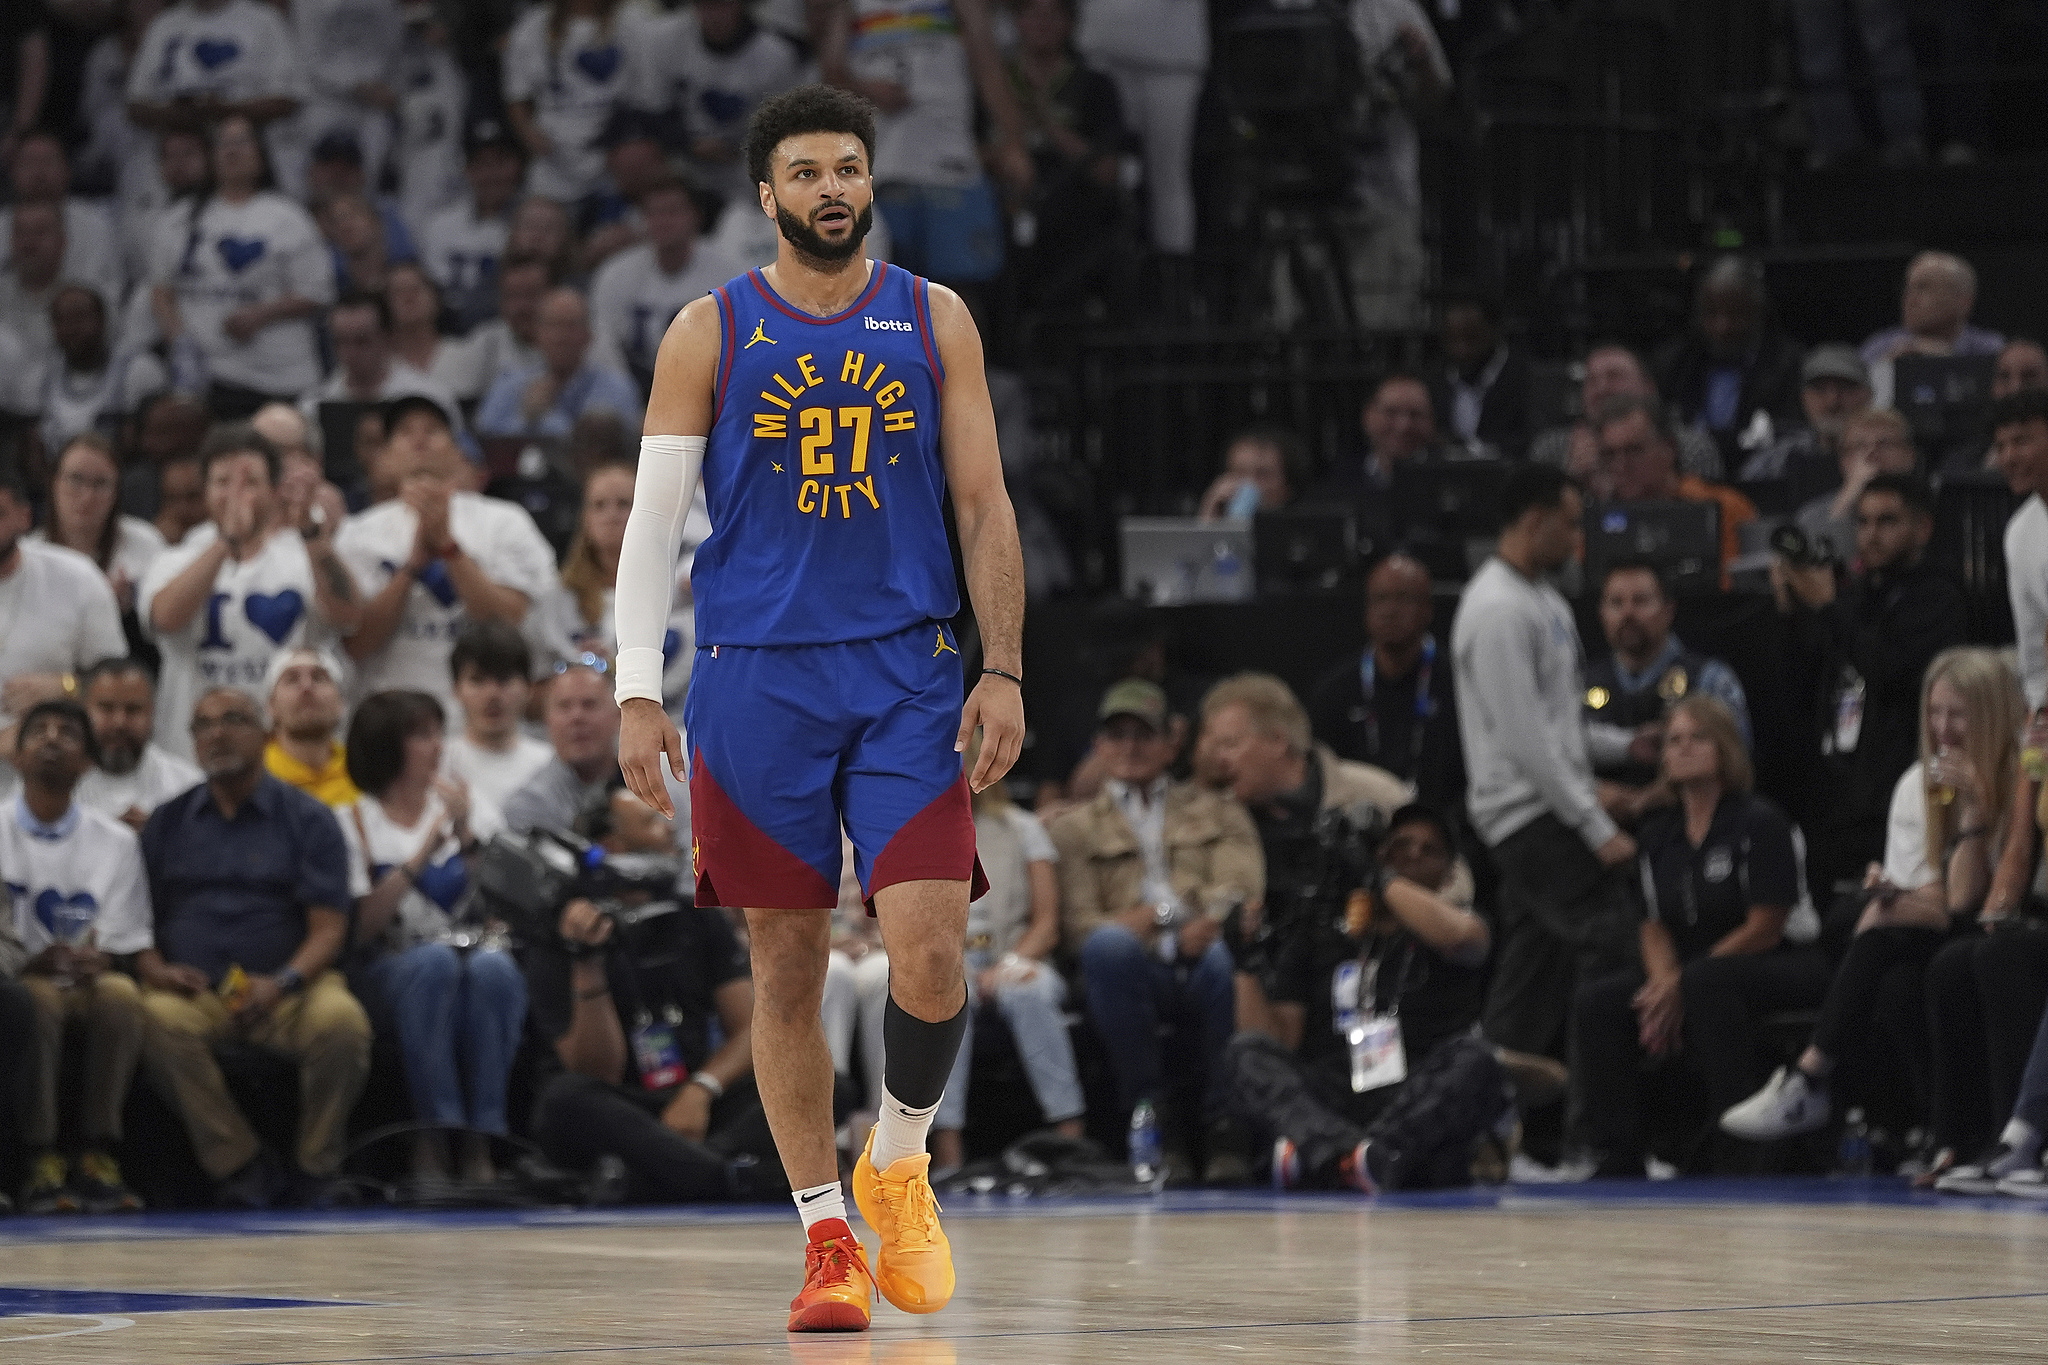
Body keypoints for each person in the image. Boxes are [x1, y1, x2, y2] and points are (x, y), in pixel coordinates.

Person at [613, 87, 1027, 1331]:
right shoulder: (708, 329)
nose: (830, 189)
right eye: (805, 173)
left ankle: (896, 1158)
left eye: (848, 168)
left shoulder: (933, 317)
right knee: (784, 970)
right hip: (755, 677)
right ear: (766, 196)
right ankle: (824, 1241)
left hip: (904, 671)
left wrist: (999, 666)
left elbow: (983, 504)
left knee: (934, 949)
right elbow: (648, 526)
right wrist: (637, 688)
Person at [1722, 648, 2027, 1145]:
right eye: (1934, 712)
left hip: (2004, 920)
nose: (1943, 729)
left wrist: (1975, 810)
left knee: (1885, 934)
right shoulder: (1915, 784)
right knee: (1897, 981)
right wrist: (1896, 894)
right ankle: (1937, 1134)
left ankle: (1811, 1077)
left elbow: (1970, 900)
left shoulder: (2021, 780)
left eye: (1958, 715)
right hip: (1942, 927)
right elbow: (1940, 897)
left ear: (1991, 716)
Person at [136, 685, 373, 1208]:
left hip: (291, 986)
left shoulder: (309, 818)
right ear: (193, 742)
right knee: (152, 1019)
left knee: (342, 1023)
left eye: (233, 720)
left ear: (265, 733)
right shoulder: (166, 823)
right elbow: (135, 923)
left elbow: (330, 930)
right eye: (204, 724)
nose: (217, 733)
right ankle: (240, 1164)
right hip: (196, 989)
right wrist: (155, 969)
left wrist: (284, 981)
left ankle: (317, 1168)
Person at [1572, 697, 1829, 1177]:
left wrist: (1682, 981)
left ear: (1725, 749)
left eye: (1698, 738)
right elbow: (1652, 923)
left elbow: (1765, 926)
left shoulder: (1759, 820)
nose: (1684, 748)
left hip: (1780, 959)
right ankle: (1618, 1153)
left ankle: (1740, 1146)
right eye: (1674, 740)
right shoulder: (1659, 833)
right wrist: (1666, 980)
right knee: (1600, 1001)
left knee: (1709, 983)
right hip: (1696, 964)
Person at [1450, 463, 1636, 1064]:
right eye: (1570, 524)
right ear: (1535, 523)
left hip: (1540, 812)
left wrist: (1630, 746)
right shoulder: (1500, 610)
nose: (1577, 538)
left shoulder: (1544, 601)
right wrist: (1594, 824)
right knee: (1613, 955)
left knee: (1527, 986)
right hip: (1534, 820)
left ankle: (1496, 1142)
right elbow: (1525, 740)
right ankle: (1599, 1134)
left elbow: (1559, 725)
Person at [1048, 679, 1263, 1185]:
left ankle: (1223, 1126)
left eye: (1143, 735)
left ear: (1172, 742)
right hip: (1128, 966)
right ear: (1098, 747)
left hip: (1203, 953)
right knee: (1108, 946)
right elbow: (1079, 927)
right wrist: (1168, 922)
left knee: (1218, 955)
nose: (1130, 747)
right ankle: (1155, 1116)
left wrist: (1177, 919)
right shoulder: (1073, 829)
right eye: (1116, 735)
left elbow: (1239, 892)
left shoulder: (1219, 810)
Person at [527, 784, 779, 1202]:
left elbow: (751, 1029)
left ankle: (657, 1171)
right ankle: (718, 1176)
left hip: (694, 1099)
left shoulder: (696, 917)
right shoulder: (564, 931)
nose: (669, 832)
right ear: (611, 846)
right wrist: (587, 963)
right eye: (651, 822)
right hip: (617, 1105)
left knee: (823, 1085)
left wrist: (701, 1089)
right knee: (564, 1101)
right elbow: (595, 1070)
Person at [1223, 802, 1490, 1191]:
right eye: (1401, 844)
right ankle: (1359, 1158)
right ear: (1382, 852)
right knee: (1245, 1052)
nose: (1413, 854)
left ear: (1450, 872)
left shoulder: (1457, 922)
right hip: (1335, 1087)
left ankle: (1330, 1156)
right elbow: (1277, 1039)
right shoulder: (1320, 933)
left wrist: (1379, 878)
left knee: (1477, 1060)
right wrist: (1243, 961)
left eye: (1429, 850)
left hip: (1412, 1089)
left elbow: (1464, 940)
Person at [339, 689, 521, 1184]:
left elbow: (504, 907)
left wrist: (464, 838)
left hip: (469, 954)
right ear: (386, 744)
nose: (438, 745)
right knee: (432, 964)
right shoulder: (353, 820)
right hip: (388, 966)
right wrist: (421, 855)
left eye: (439, 732)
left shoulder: (474, 808)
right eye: (422, 734)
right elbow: (360, 928)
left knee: (496, 967)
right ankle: (434, 1136)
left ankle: (482, 1141)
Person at [1774, 471, 1966, 899]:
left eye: (1886, 522)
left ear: (1923, 528)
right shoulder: (1856, 595)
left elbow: (1889, 671)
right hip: (1836, 791)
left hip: (1892, 789)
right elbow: (1804, 685)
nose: (1870, 535)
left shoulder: (1939, 598)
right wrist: (1794, 614)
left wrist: (1827, 607)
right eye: (1862, 523)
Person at [2, 698, 152, 1214]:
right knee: (35, 1001)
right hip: (23, 976)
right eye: (37, 730)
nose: (51, 739)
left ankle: (97, 1153)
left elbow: (125, 937)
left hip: (88, 977)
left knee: (122, 996)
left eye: (67, 732)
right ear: (15, 756)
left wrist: (102, 959)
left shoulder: (116, 841)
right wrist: (28, 962)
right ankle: (40, 1156)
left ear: (87, 762)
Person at [138, 423, 361, 761]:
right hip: (189, 752)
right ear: (205, 491)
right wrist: (226, 542)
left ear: (274, 490)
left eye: (250, 482)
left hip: (288, 757)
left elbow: (349, 616)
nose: (235, 495)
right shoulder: (175, 558)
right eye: (223, 482)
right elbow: (166, 619)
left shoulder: (304, 554)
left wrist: (313, 535)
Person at [334, 395, 558, 708]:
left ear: (457, 449)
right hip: (390, 713)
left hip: (481, 716)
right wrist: (412, 567)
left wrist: (449, 550)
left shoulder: (506, 521)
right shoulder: (357, 534)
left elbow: (512, 621)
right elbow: (354, 643)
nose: (419, 438)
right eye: (404, 431)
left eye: (434, 429)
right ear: (384, 457)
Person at [930, 733, 1082, 1173]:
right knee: (943, 997)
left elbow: (1047, 922)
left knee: (1029, 993)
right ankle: (947, 1150)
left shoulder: (1023, 828)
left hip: (1019, 953)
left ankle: (1069, 1135)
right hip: (951, 959)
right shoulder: (921, 833)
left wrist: (1011, 963)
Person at [813, 0, 1029, 301]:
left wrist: (1014, 142)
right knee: (884, 290)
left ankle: (968, 349)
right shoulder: (852, 5)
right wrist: (867, 88)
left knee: (961, 290)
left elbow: (988, 67)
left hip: (950, 162)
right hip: (881, 168)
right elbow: (830, 75)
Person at [147, 114, 336, 418]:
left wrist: (261, 314)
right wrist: (181, 344)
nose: (232, 151)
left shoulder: (288, 217)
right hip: (210, 378)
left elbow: (318, 292)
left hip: (281, 377)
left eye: (242, 142)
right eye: (224, 143)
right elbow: (161, 291)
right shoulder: (178, 219)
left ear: (261, 155)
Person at [551, 460, 711, 724]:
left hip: (677, 721)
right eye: (600, 505)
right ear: (585, 519)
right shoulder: (558, 599)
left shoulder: (682, 588)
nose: (612, 515)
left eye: (624, 504)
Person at [1306, 553, 1464, 815]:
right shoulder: (1334, 692)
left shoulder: (1457, 684)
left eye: (1403, 598)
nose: (1389, 611)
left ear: (1427, 610)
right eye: (1380, 599)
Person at [1583, 559, 1750, 799]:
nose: (1628, 613)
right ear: (1601, 614)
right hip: (1600, 819)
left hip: (1686, 820)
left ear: (1668, 610)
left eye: (1640, 601)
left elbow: (1735, 760)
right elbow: (1556, 759)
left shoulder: (1709, 679)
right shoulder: (1579, 682)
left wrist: (1649, 799)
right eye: (1616, 603)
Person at [0, 459, 128, 773]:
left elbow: (122, 686)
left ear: (24, 517)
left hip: (55, 773)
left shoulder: (77, 578)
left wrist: (69, 686)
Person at [635, 0, 804, 206]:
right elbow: (650, 111)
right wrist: (688, 142)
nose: (714, 16)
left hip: (744, 164)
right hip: (680, 156)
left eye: (722, 5)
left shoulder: (776, 55)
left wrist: (736, 149)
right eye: (705, 6)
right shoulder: (665, 38)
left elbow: (783, 132)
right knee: (636, 154)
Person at [589, 178, 743, 393]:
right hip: (635, 385)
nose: (663, 221)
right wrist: (626, 392)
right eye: (654, 213)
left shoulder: (730, 275)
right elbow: (604, 342)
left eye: (673, 212)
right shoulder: (616, 273)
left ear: (696, 217)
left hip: (706, 388)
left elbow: (739, 347)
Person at [1654, 256, 1806, 467]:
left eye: (1734, 314)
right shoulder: (1676, 363)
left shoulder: (1785, 364)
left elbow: (1787, 433)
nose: (1722, 326)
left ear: (1755, 312)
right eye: (1712, 313)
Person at [1592, 393, 1758, 578]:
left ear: (1669, 448)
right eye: (1609, 455)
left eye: (1634, 450)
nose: (1620, 466)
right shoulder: (1596, 520)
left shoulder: (1725, 508)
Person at [502, 0, 647, 205]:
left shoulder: (634, 20)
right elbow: (517, 96)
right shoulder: (531, 27)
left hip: (619, 162)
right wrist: (530, 134)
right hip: (556, 162)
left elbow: (651, 94)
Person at [1531, 342, 1723, 489]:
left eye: (1614, 377)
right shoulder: (1551, 450)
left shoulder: (1690, 446)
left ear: (1648, 387)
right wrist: (1572, 482)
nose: (1602, 389)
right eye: (1592, 380)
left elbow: (1706, 510)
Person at [25, 433, 167, 623]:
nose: (87, 497)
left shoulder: (145, 542)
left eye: (101, 484)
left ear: (116, 492)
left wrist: (133, 606)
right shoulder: (28, 553)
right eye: (75, 479)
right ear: (54, 483)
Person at [475, 287, 643, 439]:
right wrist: (524, 420)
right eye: (552, 325)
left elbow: (598, 447)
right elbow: (484, 436)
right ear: (537, 334)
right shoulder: (510, 382)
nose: (560, 337)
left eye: (570, 326)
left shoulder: (616, 388)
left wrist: (545, 417)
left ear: (588, 336)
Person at [36, 284, 170, 457]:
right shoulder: (43, 375)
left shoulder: (137, 369)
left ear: (102, 319)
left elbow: (154, 441)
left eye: (79, 318)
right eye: (61, 320)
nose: (71, 329)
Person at [1860, 251, 2004, 411]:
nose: (1910, 298)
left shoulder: (1992, 350)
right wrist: (1888, 369)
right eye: (1908, 288)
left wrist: (1947, 359)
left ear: (1963, 301)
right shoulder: (1879, 347)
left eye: (1923, 288)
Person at [419, 119, 523, 334]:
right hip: (448, 332)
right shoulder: (440, 224)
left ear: (516, 166)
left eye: (500, 162)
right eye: (482, 165)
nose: (492, 175)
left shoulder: (528, 223)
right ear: (468, 170)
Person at [299, 292, 461, 430]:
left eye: (362, 341)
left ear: (389, 338)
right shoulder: (312, 407)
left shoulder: (430, 400)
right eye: (340, 342)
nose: (350, 352)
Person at [75, 655, 203, 829]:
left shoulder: (188, 787)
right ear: (83, 711)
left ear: (152, 712)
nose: (119, 722)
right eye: (107, 708)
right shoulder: (56, 784)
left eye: (133, 709)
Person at [443, 620, 554, 815]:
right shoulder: (437, 765)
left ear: (529, 687)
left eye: (504, 679)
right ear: (456, 689)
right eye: (477, 680)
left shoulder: (551, 766)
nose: (492, 695)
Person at [503, 661, 625, 835]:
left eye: (589, 704)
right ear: (547, 719)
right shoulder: (528, 809)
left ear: (620, 716)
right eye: (564, 706)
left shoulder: (655, 784)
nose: (577, 717)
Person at [1792, 408, 1918, 565]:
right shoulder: (1812, 516)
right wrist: (1845, 503)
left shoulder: (1933, 507)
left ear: (1910, 455)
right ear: (1843, 461)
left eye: (1885, 444)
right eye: (1860, 446)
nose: (1872, 453)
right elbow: (1817, 572)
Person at [1736, 343, 1873, 485]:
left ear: (1868, 396)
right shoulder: (1781, 456)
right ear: (1803, 397)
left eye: (1844, 388)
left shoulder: (1885, 453)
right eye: (1819, 389)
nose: (1832, 402)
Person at [1429, 290, 1532, 459]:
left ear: (1494, 330)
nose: (1461, 349)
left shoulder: (1523, 377)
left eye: (1471, 338)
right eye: (1453, 339)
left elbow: (1527, 440)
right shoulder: (1436, 379)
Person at [261, 645, 358, 808]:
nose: (307, 686)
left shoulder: (366, 775)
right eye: (292, 679)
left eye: (319, 677)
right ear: (271, 706)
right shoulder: (252, 779)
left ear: (341, 703)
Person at [1195, 426, 1303, 523]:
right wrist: (1208, 516)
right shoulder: (1216, 513)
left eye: (1263, 474)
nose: (1249, 483)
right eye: (1239, 473)